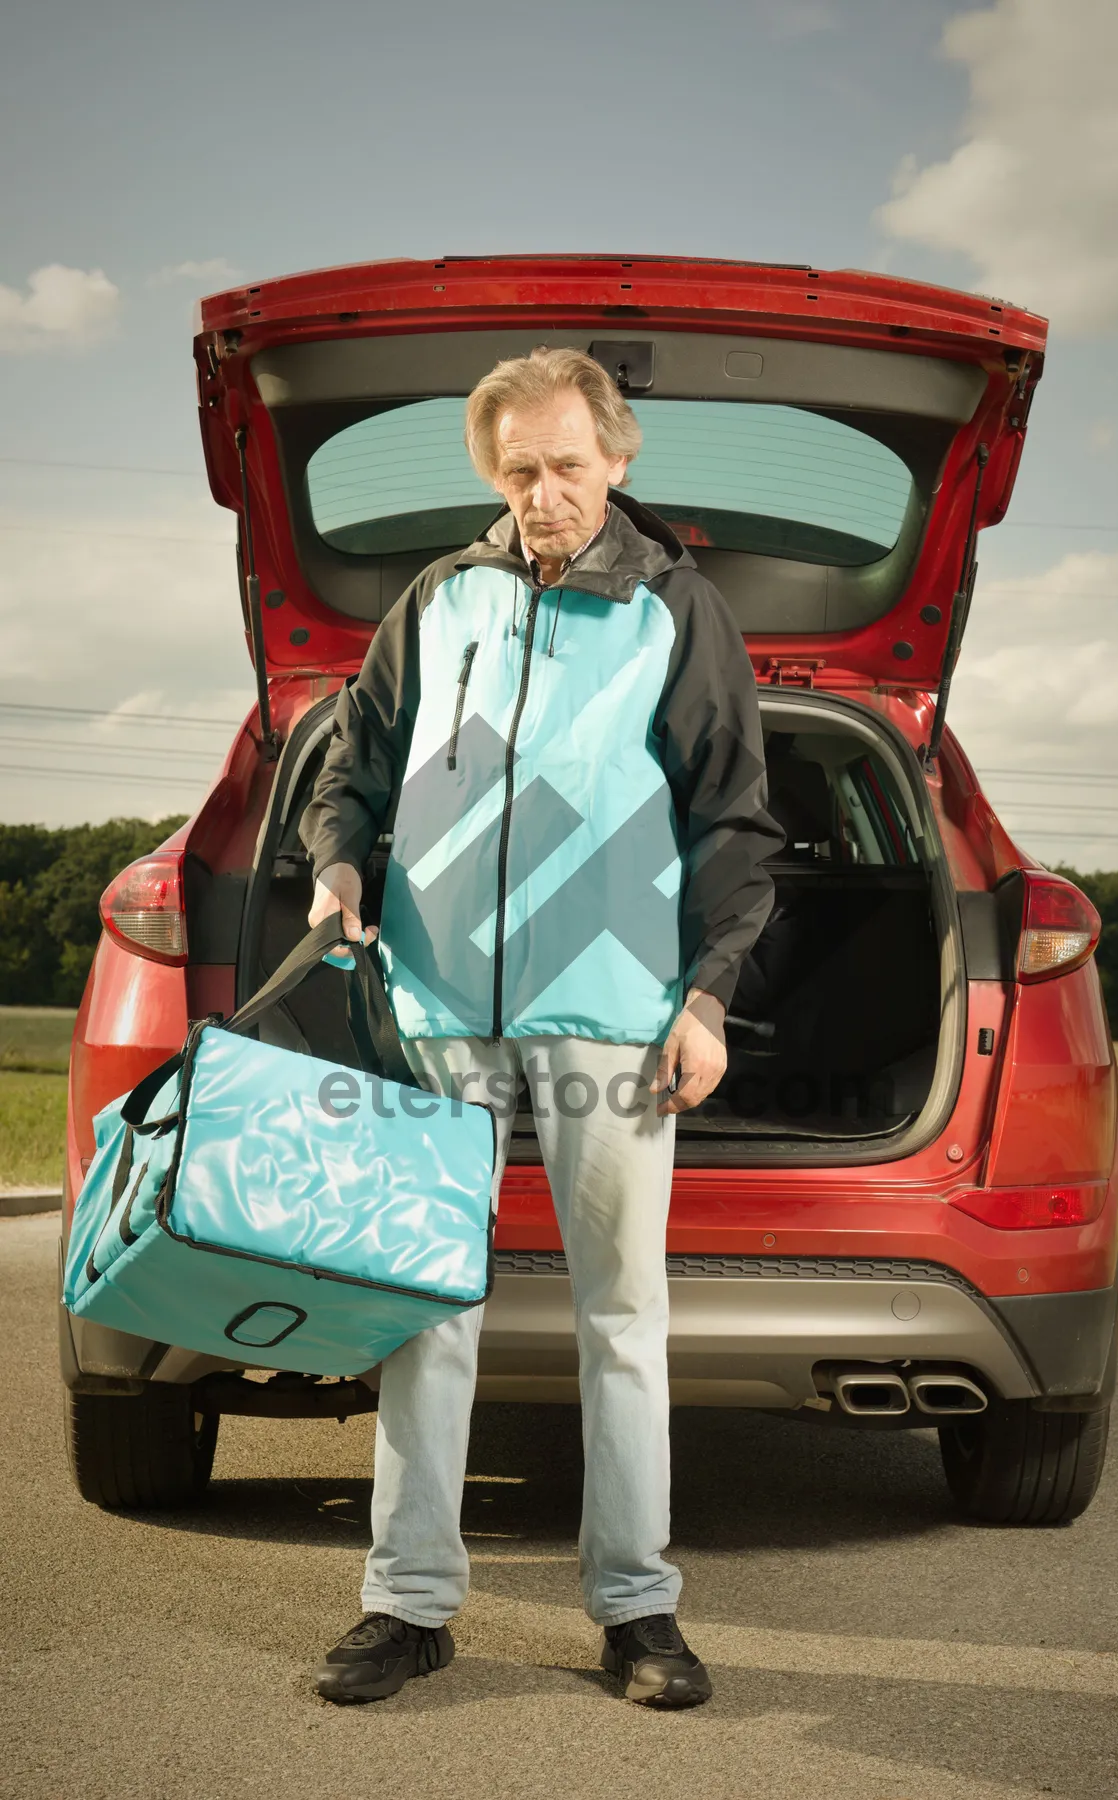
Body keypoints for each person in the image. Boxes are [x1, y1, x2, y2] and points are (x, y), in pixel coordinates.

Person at [300, 347, 785, 1708]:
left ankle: (637, 1610)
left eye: (568, 464)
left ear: (617, 461)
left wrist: (704, 999)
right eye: (520, 469)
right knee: (424, 1310)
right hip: (438, 1009)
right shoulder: (441, 598)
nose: (545, 491)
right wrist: (339, 861)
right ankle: (408, 1604)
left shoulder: (677, 614)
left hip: (616, 1018)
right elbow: (355, 765)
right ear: (490, 473)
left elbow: (735, 823)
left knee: (621, 1317)